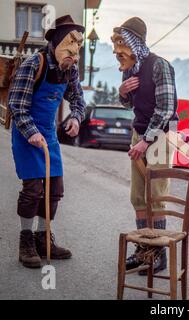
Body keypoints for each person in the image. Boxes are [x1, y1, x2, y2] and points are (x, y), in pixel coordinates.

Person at [8, 15, 86, 268]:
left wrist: (75, 117)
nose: (74, 54)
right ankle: (26, 241)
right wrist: (31, 132)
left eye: (78, 48)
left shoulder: (70, 69)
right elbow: (17, 105)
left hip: (48, 137)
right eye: (70, 45)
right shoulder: (34, 64)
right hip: (25, 134)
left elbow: (78, 101)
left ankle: (44, 239)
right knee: (33, 190)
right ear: (55, 43)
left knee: (54, 189)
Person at [111, 17, 178, 274]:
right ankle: (143, 251)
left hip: (159, 136)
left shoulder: (159, 66)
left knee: (156, 196)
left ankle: (157, 254)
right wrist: (123, 93)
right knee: (138, 196)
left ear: (134, 42)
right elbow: (131, 105)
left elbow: (166, 109)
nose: (117, 51)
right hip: (139, 134)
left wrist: (146, 140)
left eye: (121, 43)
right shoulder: (131, 67)